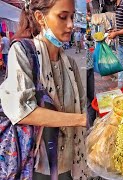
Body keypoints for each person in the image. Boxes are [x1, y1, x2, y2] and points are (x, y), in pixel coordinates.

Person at [0, 0, 89, 179]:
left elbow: (81, 104)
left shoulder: (70, 64)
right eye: (63, 17)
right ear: (41, 18)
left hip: (70, 160)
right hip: (37, 165)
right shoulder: (23, 52)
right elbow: (23, 112)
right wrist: (81, 120)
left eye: (72, 17)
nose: (71, 25)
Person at [85, 33, 96, 127]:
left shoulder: (87, 43)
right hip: (88, 69)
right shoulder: (88, 43)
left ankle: (92, 124)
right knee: (89, 99)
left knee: (89, 100)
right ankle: (92, 123)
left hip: (88, 69)